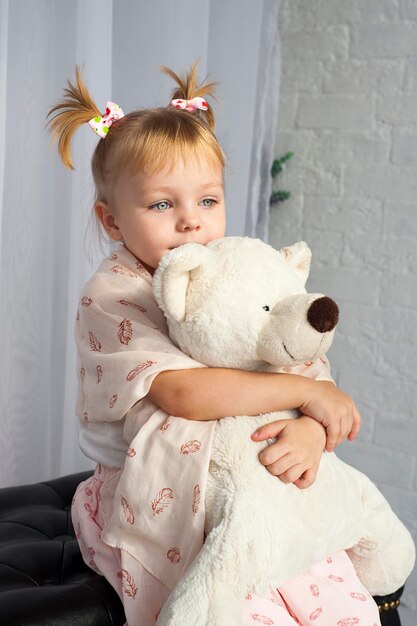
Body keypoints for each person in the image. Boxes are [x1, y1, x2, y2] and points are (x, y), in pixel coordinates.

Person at [47, 64, 380, 625]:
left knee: (323, 582)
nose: (190, 224)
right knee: (229, 598)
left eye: (207, 201)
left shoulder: (235, 268)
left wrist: (311, 424)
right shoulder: (112, 296)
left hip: (247, 468)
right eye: (160, 205)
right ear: (111, 219)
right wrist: (302, 391)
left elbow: (289, 348)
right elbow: (183, 394)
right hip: (152, 490)